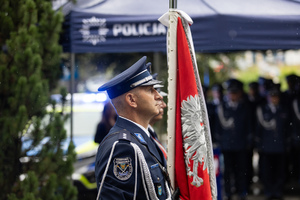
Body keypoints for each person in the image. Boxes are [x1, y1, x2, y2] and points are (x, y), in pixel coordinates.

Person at [95, 56, 171, 200]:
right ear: (131, 100)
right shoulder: (122, 147)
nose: (158, 96)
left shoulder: (142, 139)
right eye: (150, 90)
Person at [216, 78, 251, 200]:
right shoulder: (222, 108)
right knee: (227, 170)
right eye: (231, 93)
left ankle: (242, 191)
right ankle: (228, 192)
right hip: (227, 145)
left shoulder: (244, 107)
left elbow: (248, 125)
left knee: (241, 170)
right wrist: (219, 141)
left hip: (240, 144)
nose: (233, 95)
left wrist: (248, 140)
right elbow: (217, 127)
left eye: (235, 93)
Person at [255, 84, 290, 200]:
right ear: (268, 97)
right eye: (271, 96)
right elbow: (258, 129)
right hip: (267, 146)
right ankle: (269, 191)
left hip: (280, 146)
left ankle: (278, 191)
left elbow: (287, 129)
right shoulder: (262, 110)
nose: (274, 98)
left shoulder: (283, 109)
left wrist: (287, 143)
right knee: (267, 171)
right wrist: (259, 144)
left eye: (275, 96)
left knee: (280, 171)